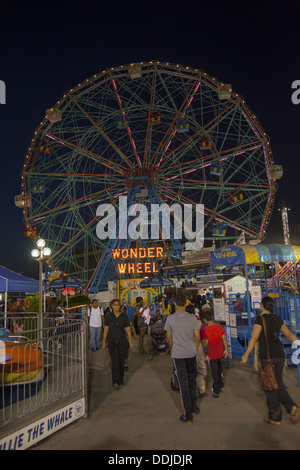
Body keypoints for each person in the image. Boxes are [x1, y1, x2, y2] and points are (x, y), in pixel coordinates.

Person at [241, 296, 299, 425]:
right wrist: (298, 343)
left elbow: (254, 338)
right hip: (280, 356)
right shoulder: (277, 319)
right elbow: (288, 335)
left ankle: (277, 416)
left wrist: (246, 354)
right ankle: (290, 407)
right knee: (277, 382)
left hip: (267, 358)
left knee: (270, 387)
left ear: (262, 306)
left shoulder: (260, 319)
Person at [164, 295, 200, 423]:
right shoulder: (192, 318)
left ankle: (188, 415)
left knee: (183, 382)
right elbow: (197, 336)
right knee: (192, 380)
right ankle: (194, 407)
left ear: (174, 304)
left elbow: (168, 337)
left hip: (178, 354)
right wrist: (195, 348)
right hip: (191, 352)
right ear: (185, 304)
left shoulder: (170, 319)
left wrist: (173, 347)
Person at [103, 298, 133, 390]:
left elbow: (128, 330)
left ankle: (120, 379)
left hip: (122, 341)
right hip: (112, 342)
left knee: (121, 361)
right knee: (114, 361)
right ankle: (115, 381)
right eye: (115, 305)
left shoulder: (124, 316)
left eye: (118, 304)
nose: (117, 306)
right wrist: (104, 343)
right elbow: (106, 330)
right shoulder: (108, 317)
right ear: (111, 306)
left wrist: (131, 342)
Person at [202, 310, 228, 397]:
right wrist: (226, 349)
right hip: (220, 352)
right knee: (218, 369)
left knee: (214, 372)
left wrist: (201, 348)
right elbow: (224, 338)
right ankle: (221, 385)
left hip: (211, 354)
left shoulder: (206, 329)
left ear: (205, 320)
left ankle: (216, 390)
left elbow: (206, 342)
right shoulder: (219, 326)